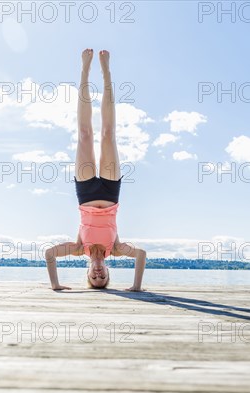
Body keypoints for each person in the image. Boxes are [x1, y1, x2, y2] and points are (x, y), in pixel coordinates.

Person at [44, 49, 146, 291]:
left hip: (86, 193)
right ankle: (107, 73)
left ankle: (85, 71)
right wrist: (136, 287)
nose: (98, 275)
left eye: (94, 278)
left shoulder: (79, 248)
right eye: (103, 278)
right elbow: (141, 254)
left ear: (88, 273)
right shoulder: (118, 249)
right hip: (111, 194)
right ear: (108, 272)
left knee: (85, 135)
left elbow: (49, 253)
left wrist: (55, 285)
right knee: (109, 135)